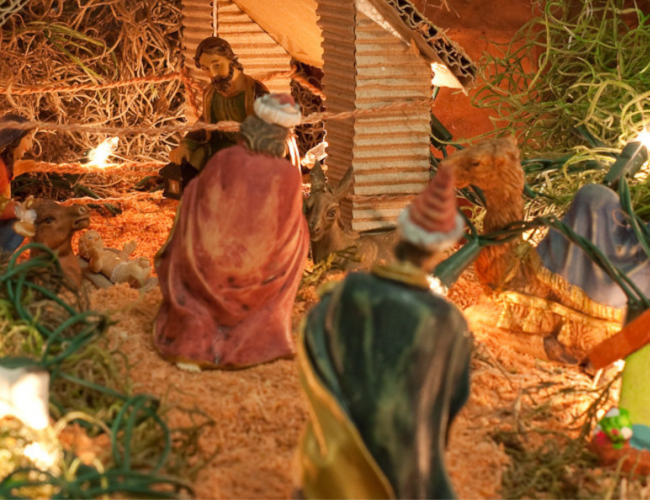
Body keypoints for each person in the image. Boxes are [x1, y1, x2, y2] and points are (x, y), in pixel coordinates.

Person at [296, 165, 473, 499]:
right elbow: (455, 394)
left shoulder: (349, 293)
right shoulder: (447, 320)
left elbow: (312, 337)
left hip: (343, 447)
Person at [153, 93, 308, 369]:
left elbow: (195, 203)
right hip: (259, 277)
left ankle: (195, 331)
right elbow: (286, 233)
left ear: (251, 125)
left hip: (204, 268)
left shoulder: (223, 159)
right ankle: (262, 332)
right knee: (301, 230)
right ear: (281, 137)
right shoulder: (288, 175)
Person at [161, 37, 270, 197]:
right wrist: (185, 146)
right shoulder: (212, 93)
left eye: (217, 65)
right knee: (190, 164)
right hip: (217, 149)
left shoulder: (255, 92)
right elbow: (204, 125)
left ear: (230, 59)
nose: (213, 74)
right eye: (206, 69)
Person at [0, 114, 37, 252]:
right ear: (15, 140)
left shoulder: (5, 166)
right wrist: (16, 210)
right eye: (28, 139)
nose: (30, 146)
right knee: (21, 223)